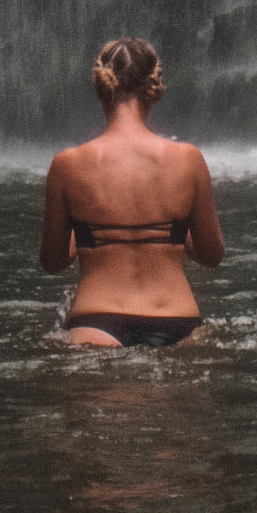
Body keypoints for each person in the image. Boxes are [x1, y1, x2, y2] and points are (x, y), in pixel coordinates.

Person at [37, 36, 225, 347]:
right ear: (155, 87)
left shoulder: (67, 165)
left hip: (96, 321)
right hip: (178, 320)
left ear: (101, 87)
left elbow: (53, 260)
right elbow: (211, 254)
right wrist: (169, 234)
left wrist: (91, 233)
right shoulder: (188, 159)